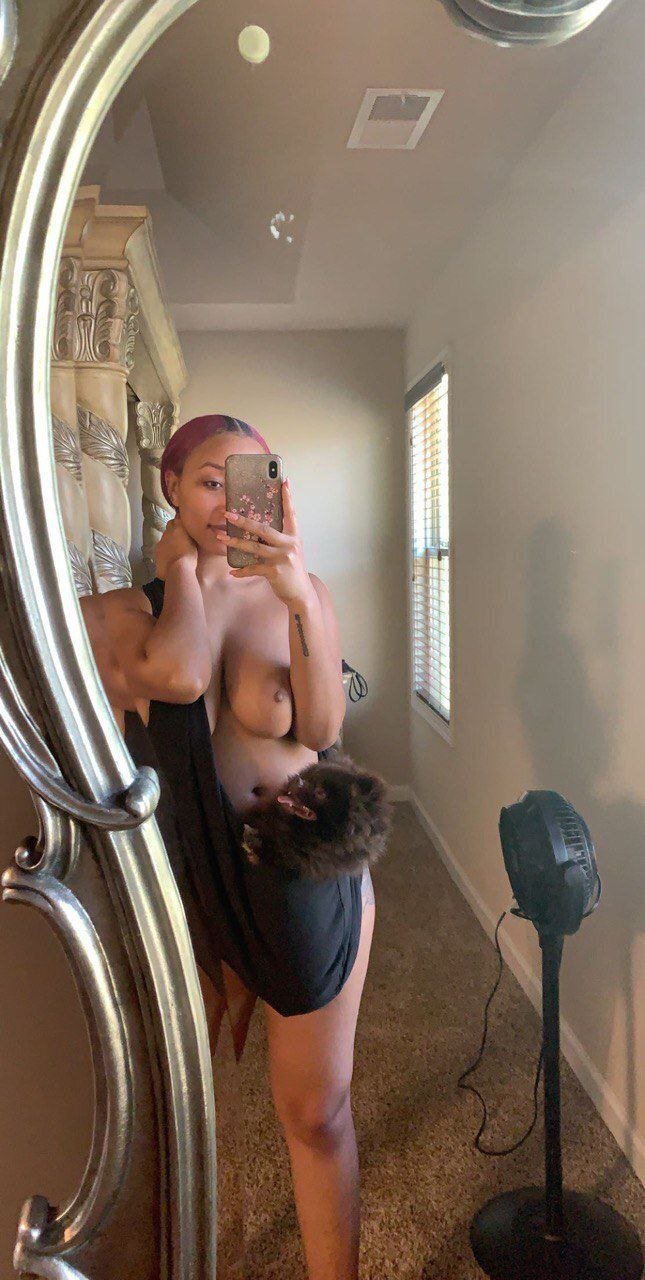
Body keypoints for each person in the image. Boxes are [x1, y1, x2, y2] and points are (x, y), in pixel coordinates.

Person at [80, 413, 376, 1280]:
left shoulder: (299, 594)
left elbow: (319, 728)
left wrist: (296, 596)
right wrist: (181, 571)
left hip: (301, 873)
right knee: (174, 1110)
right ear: (169, 485)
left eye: (249, 485)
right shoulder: (123, 611)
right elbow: (176, 676)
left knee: (315, 1113)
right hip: (192, 880)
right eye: (210, 481)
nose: (228, 504)